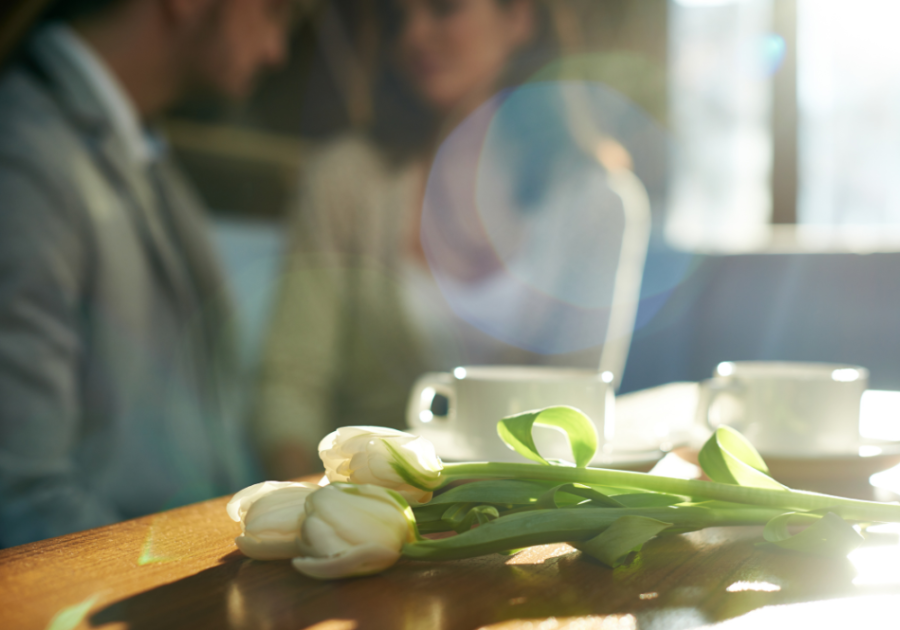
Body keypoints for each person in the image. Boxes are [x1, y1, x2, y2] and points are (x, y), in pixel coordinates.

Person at [252, 0, 642, 478]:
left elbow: (578, 412)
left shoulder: (598, 202)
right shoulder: (344, 182)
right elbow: (290, 385)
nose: (413, 36)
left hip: (526, 526)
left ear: (519, 16)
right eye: (397, 19)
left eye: (443, 8)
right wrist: (316, 509)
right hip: (371, 514)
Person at [0, 0, 291, 547]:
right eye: (273, 11)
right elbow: (19, 495)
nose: (276, 51)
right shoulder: (23, 155)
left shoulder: (143, 156)